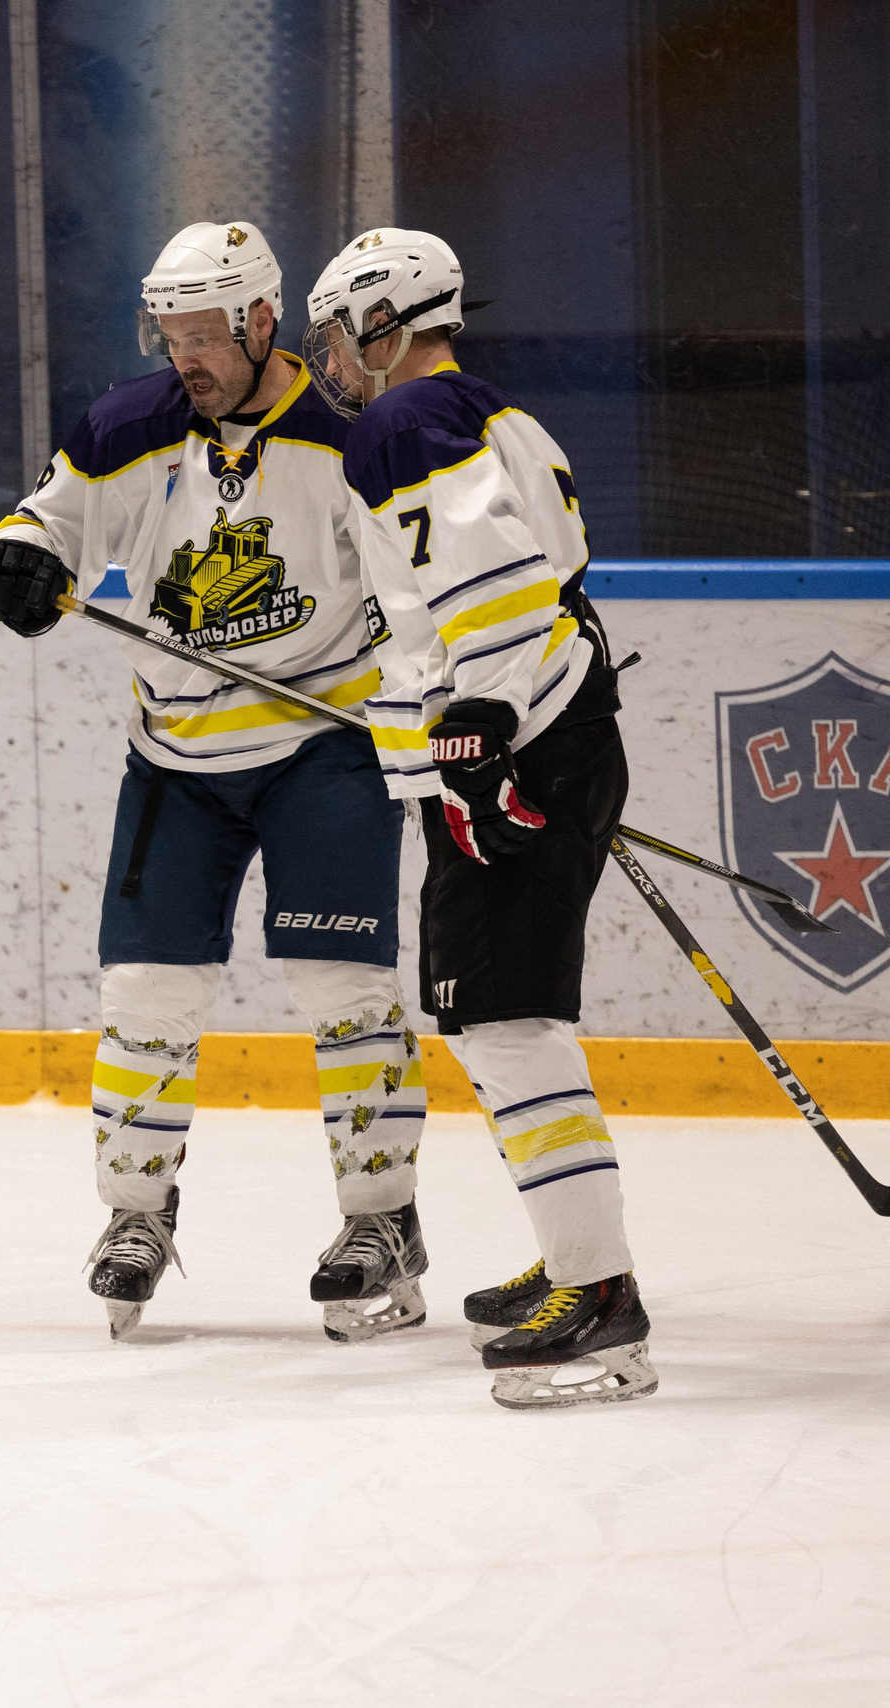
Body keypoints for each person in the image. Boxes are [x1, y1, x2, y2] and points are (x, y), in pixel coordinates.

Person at [0, 220, 429, 1342]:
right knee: (145, 993)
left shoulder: (348, 432)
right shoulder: (130, 425)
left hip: (325, 743)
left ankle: (382, 1221)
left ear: (264, 319)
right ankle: (136, 1213)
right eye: (169, 336)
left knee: (340, 983)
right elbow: (48, 523)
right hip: (174, 753)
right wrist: (21, 560)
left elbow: (413, 585)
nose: (186, 358)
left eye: (206, 336)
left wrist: (432, 708)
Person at [306, 228, 654, 1409]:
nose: (330, 359)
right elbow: (518, 577)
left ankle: (598, 1295)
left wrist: (477, 736)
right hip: (554, 731)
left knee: (506, 1023)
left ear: (383, 322)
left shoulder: (405, 420)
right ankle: (573, 1260)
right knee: (501, 1016)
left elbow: (491, 591)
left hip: (509, 752)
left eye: (338, 333)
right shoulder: (487, 410)